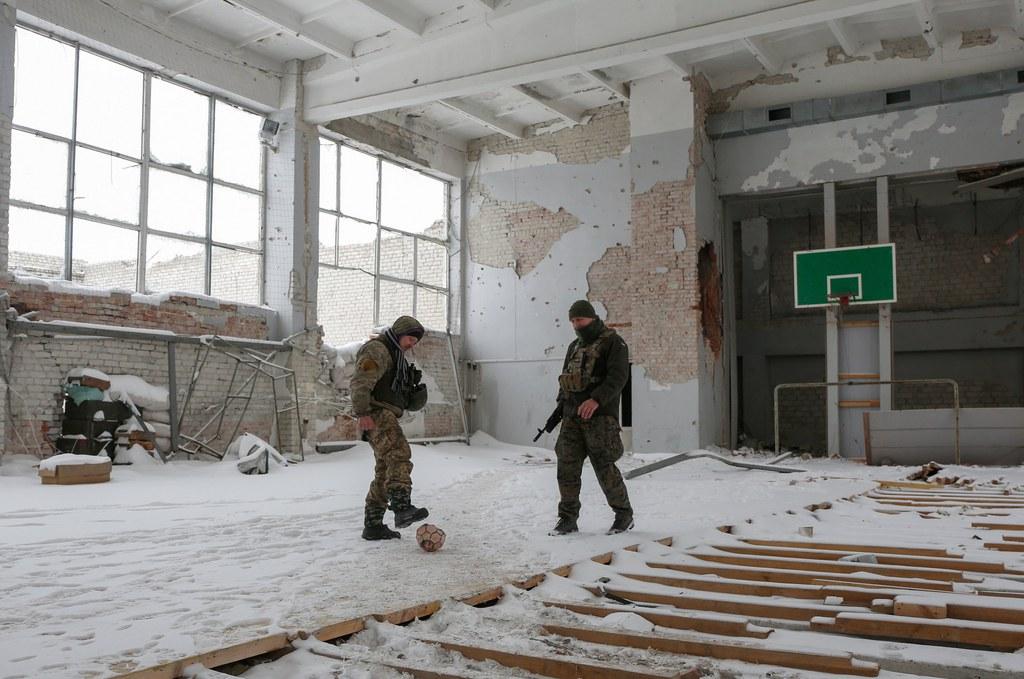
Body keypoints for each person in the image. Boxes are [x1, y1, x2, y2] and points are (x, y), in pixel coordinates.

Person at [550, 300, 634, 536]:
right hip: (572, 417)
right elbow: (566, 377)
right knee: (566, 466)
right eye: (573, 321)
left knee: (604, 466)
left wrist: (596, 399)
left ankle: (623, 515)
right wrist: (561, 407)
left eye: (580, 320)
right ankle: (567, 519)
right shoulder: (574, 346)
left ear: (592, 318)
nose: (577, 325)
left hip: (600, 418)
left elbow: (618, 377)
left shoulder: (613, 342)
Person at [350, 315, 430, 540]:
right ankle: (402, 508)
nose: (412, 344)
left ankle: (373, 525)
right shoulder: (378, 350)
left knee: (385, 469)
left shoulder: (395, 355)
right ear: (398, 333)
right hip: (376, 412)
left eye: (415, 341)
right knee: (399, 454)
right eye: (409, 339)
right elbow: (360, 381)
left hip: (384, 412)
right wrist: (363, 412)